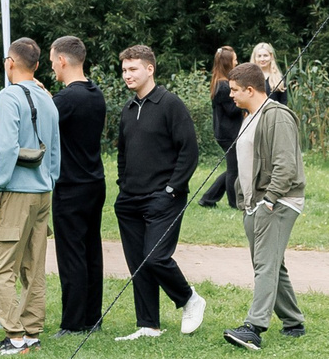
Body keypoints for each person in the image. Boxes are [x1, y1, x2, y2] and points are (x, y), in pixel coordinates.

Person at [111, 45, 205, 340]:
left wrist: (171, 189)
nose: (127, 74)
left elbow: (189, 151)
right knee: (139, 263)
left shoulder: (170, 104)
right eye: (124, 69)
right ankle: (148, 324)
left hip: (164, 197)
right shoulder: (128, 110)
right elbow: (123, 154)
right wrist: (122, 187)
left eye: (133, 69)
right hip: (130, 200)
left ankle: (189, 299)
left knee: (155, 257)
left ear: (150, 69)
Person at [0, 37, 60, 357]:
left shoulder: (9, 96)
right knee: (33, 267)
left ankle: (15, 339)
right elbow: (53, 150)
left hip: (15, 192)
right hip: (43, 192)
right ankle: (31, 332)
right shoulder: (47, 97)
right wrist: (49, 180)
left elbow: (7, 148)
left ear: (9, 63)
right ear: (37, 65)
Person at [221, 62, 306, 350]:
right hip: (254, 203)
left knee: (265, 264)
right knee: (272, 264)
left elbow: (286, 164)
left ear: (249, 89)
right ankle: (293, 321)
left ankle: (253, 327)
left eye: (234, 90)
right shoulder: (248, 116)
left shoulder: (277, 116)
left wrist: (269, 200)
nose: (230, 95)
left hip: (278, 201)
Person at [49, 37, 106, 334]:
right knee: (90, 251)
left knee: (71, 254)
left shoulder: (67, 98)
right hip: (95, 181)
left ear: (62, 60)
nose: (52, 68)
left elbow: (40, 124)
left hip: (71, 186)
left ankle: (72, 323)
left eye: (51, 62)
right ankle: (91, 318)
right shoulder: (95, 93)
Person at [198, 47, 241, 208]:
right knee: (234, 170)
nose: (237, 62)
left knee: (235, 167)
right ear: (227, 62)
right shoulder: (223, 86)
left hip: (226, 132)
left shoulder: (220, 82)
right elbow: (231, 111)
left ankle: (208, 198)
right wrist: (245, 103)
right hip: (228, 133)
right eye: (234, 59)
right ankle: (233, 203)